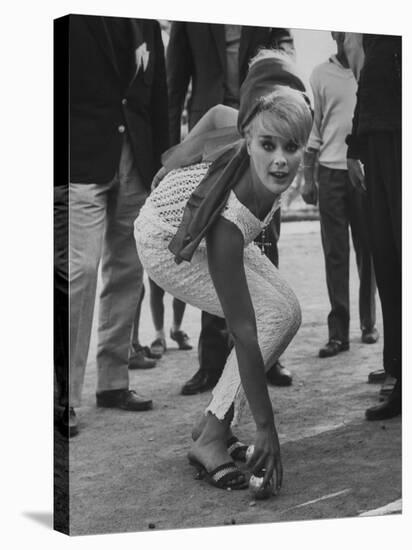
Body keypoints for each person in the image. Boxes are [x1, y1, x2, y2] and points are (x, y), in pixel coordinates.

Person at [135, 50, 313, 492]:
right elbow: (243, 331)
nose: (279, 160)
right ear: (249, 136)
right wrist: (266, 426)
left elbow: (215, 111)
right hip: (165, 243)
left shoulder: (260, 120)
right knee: (267, 319)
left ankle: (211, 422)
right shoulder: (230, 219)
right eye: (267, 145)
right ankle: (211, 437)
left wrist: (175, 159)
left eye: (291, 148)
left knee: (287, 312)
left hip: (205, 228)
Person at [54, 15, 169, 436]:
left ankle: (114, 382)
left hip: (136, 162)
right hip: (80, 160)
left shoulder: (148, 22)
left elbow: (158, 97)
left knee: (127, 271)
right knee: (79, 271)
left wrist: (162, 165)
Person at [166, 21, 296, 395]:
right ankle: (211, 362)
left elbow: (285, 56)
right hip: (212, 135)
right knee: (211, 241)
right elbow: (176, 84)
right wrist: (177, 153)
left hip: (263, 129)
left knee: (264, 242)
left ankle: (268, 355)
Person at [301, 31, 378, 358]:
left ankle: (369, 324)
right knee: (335, 253)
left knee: (369, 251)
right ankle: (338, 334)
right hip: (330, 173)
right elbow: (314, 127)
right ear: (333, 33)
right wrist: (308, 177)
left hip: (362, 171)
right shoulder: (320, 74)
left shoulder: (371, 68)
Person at [345, 34, 401, 420]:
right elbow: (369, 78)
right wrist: (354, 147)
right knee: (386, 257)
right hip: (376, 139)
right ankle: (399, 375)